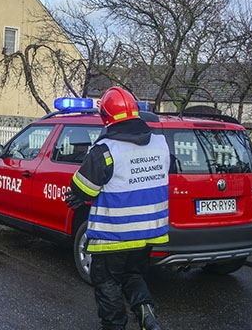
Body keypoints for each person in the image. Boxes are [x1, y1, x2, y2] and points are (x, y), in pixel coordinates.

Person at [65, 86, 169, 330]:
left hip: (114, 234)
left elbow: (83, 188)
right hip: (148, 232)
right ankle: (148, 317)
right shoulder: (160, 143)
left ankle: (114, 326)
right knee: (133, 275)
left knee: (106, 281)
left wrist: (79, 194)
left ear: (105, 117)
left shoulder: (105, 150)